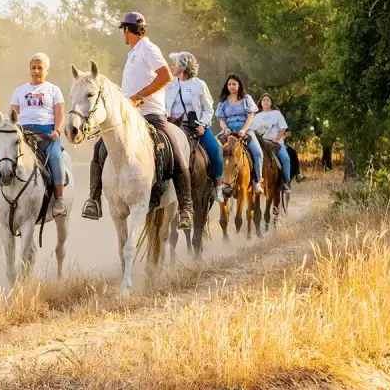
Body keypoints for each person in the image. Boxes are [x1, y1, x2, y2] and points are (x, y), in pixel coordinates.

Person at [80, 12, 194, 229]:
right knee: (99, 148)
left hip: (152, 114)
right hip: (129, 118)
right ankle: (94, 200)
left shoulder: (148, 48)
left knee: (176, 153)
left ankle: (185, 208)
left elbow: (165, 76)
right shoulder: (133, 53)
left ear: (126, 30)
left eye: (123, 30)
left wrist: (139, 96)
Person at [0, 53, 67, 217]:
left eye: (40, 68)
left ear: (47, 70)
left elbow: (60, 113)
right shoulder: (20, 90)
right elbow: (12, 116)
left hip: (47, 132)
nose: (36, 71)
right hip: (23, 132)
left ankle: (59, 199)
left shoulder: (54, 90)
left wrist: (57, 130)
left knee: (56, 157)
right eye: (33, 67)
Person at [166, 51, 225, 204]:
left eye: (174, 63)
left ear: (183, 66)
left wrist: (203, 125)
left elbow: (208, 108)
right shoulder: (169, 84)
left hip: (195, 126)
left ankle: (217, 187)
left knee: (216, 151)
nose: (171, 66)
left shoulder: (199, 85)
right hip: (172, 126)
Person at [216, 74, 264, 194]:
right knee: (213, 149)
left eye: (234, 84)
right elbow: (221, 119)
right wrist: (225, 128)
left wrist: (243, 130)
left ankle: (256, 181)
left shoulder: (246, 98)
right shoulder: (223, 102)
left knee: (258, 152)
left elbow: (250, 116)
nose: (231, 86)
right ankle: (215, 182)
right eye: (229, 84)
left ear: (239, 85)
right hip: (228, 130)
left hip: (245, 130)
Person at [252, 93, 292, 194]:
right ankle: (252, 180)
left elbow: (283, 128)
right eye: (263, 100)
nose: (265, 101)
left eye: (267, 100)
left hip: (275, 141)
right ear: (260, 103)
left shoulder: (276, 114)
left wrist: (277, 138)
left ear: (271, 103)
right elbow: (252, 130)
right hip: (261, 142)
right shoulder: (256, 116)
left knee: (286, 159)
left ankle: (286, 182)